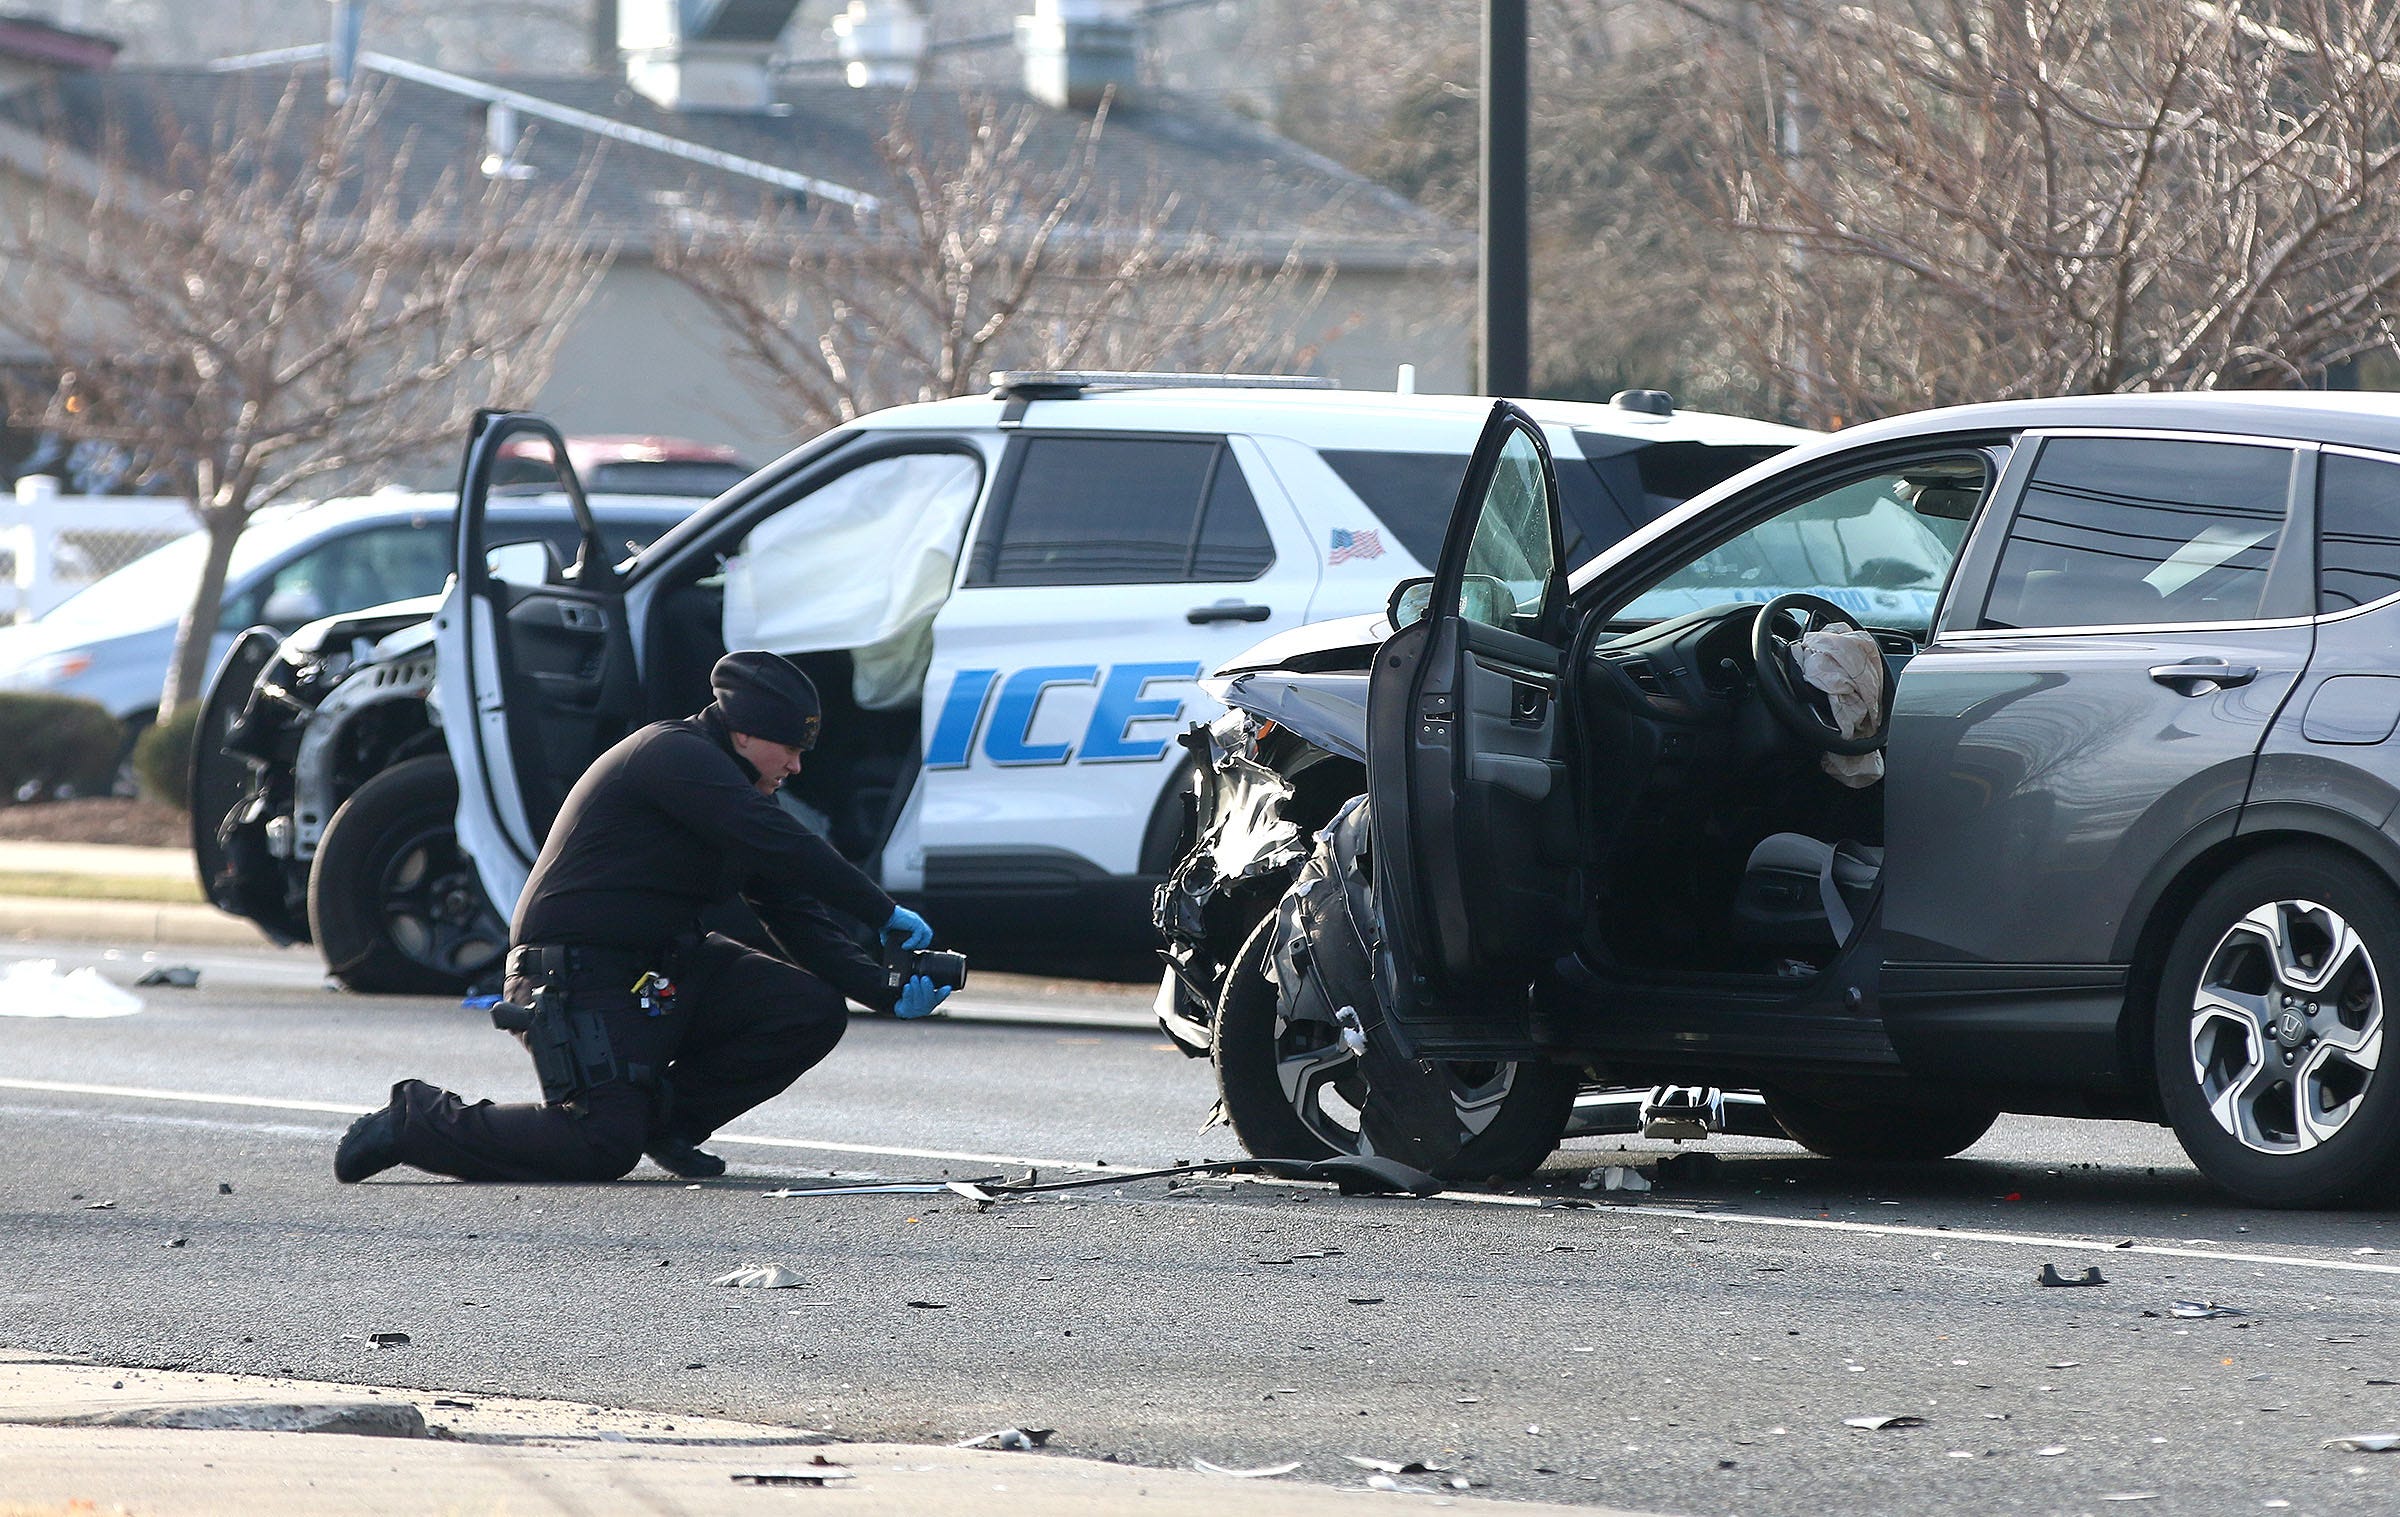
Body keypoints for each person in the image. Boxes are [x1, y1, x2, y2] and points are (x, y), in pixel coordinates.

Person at [332, 651, 952, 1184]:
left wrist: (881, 991)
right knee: (600, 1143)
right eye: (790, 748)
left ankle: (668, 1123)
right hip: (572, 974)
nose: (795, 766)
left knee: (807, 1009)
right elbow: (779, 842)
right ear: (744, 732)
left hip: (661, 969)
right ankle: (414, 1120)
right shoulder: (671, 754)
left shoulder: (733, 793)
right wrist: (880, 909)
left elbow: (794, 911)